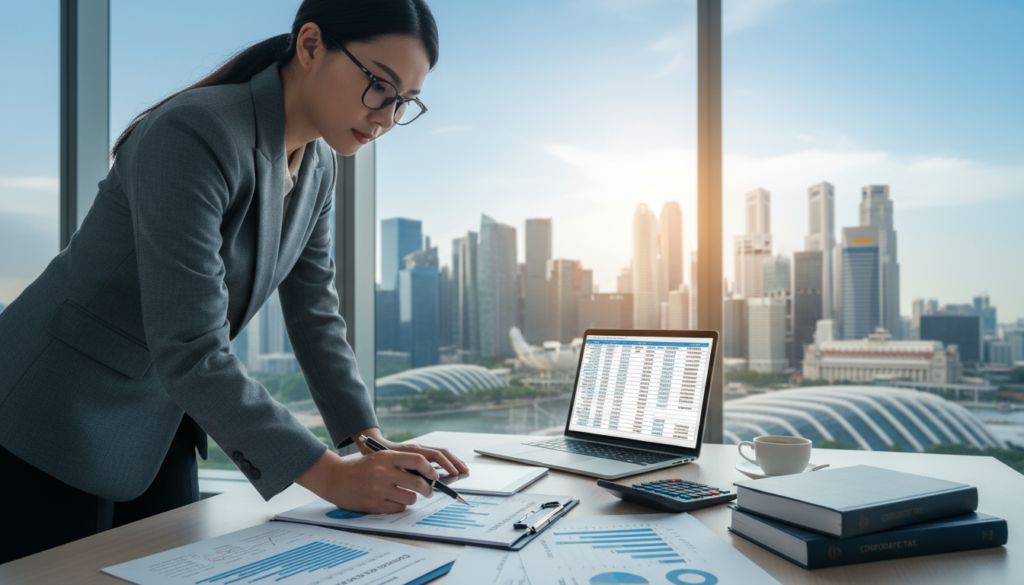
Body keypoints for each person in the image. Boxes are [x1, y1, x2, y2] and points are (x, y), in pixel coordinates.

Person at [0, 0, 468, 564]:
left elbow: (315, 315)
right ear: (311, 45)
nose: (387, 118)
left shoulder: (318, 166)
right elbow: (191, 344)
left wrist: (366, 439)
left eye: (404, 101)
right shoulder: (194, 132)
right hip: (52, 412)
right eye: (379, 86)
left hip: (162, 418)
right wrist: (331, 477)